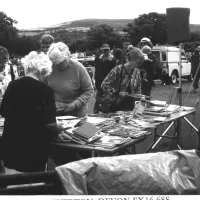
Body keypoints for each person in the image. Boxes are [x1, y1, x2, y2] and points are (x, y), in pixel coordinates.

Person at [0, 52, 64, 174]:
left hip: (11, 145)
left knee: (14, 187)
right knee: (34, 186)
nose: (46, 77)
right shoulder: (46, 90)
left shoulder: (12, 85)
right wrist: (60, 128)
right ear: (42, 71)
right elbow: (51, 125)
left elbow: (3, 111)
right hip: (35, 148)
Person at [47, 42, 93, 117]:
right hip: (56, 113)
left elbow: (89, 90)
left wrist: (75, 105)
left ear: (68, 56)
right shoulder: (49, 68)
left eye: (61, 62)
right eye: (56, 64)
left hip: (76, 114)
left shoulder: (78, 68)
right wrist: (53, 103)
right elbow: (45, 90)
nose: (59, 66)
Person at [101, 47, 144, 112]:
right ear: (131, 60)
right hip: (116, 106)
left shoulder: (137, 72)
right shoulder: (118, 69)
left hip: (131, 107)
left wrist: (139, 95)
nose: (140, 65)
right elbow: (104, 85)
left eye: (141, 63)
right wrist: (117, 93)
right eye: (138, 63)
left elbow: (138, 87)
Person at [93, 43, 116, 113]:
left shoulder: (112, 59)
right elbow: (96, 70)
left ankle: (107, 113)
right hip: (99, 82)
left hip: (108, 83)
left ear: (109, 50)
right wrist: (95, 81)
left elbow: (114, 73)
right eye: (104, 50)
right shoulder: (98, 58)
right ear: (101, 50)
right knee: (98, 99)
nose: (106, 51)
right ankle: (95, 112)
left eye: (107, 50)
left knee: (108, 100)